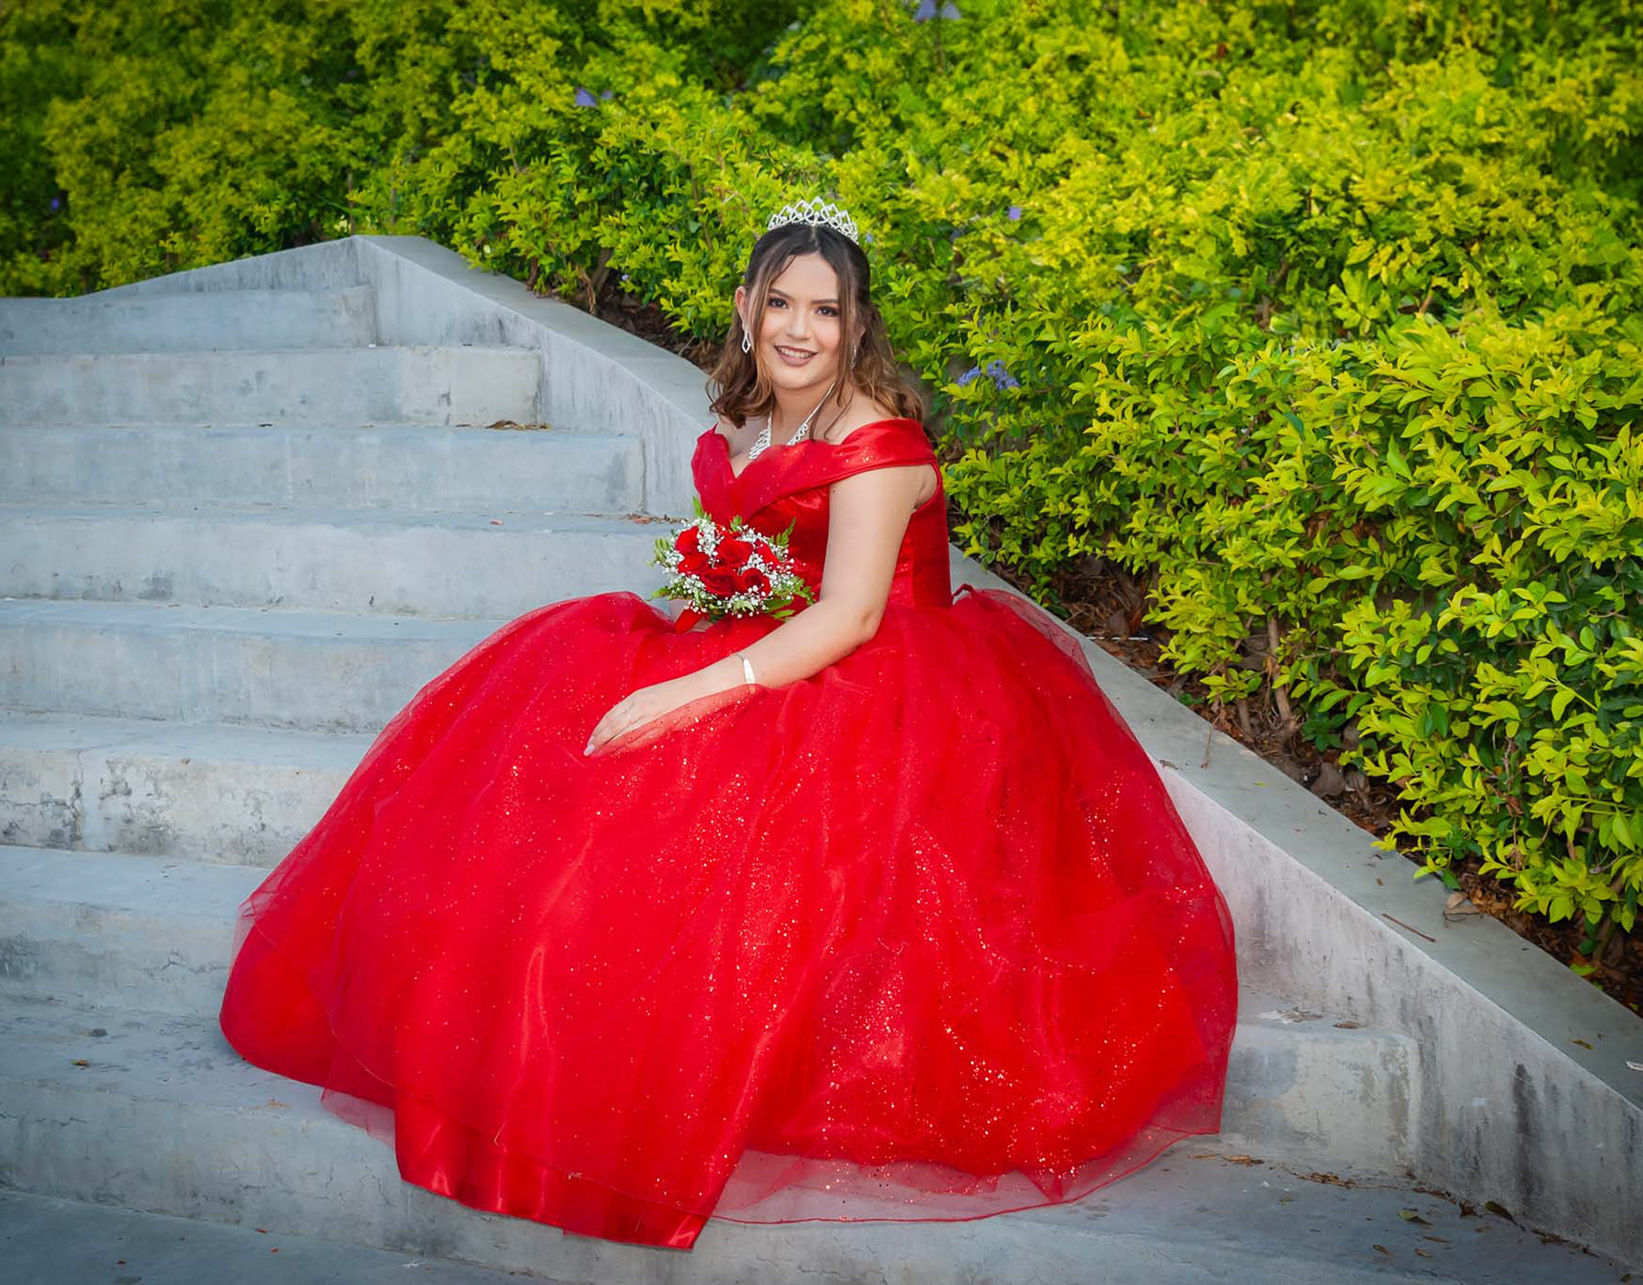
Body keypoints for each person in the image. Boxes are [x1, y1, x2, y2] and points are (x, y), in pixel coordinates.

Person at [218, 198, 1240, 1252]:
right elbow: (765, 578)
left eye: (826, 311)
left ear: (857, 325)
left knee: (691, 787)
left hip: (886, 687)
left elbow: (849, 616)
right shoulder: (761, 424)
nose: (799, 329)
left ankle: (632, 1058)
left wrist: (689, 689)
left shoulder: (878, 443)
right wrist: (700, 643)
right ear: (746, 305)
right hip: (780, 649)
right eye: (781, 303)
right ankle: (524, 1033)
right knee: (567, 746)